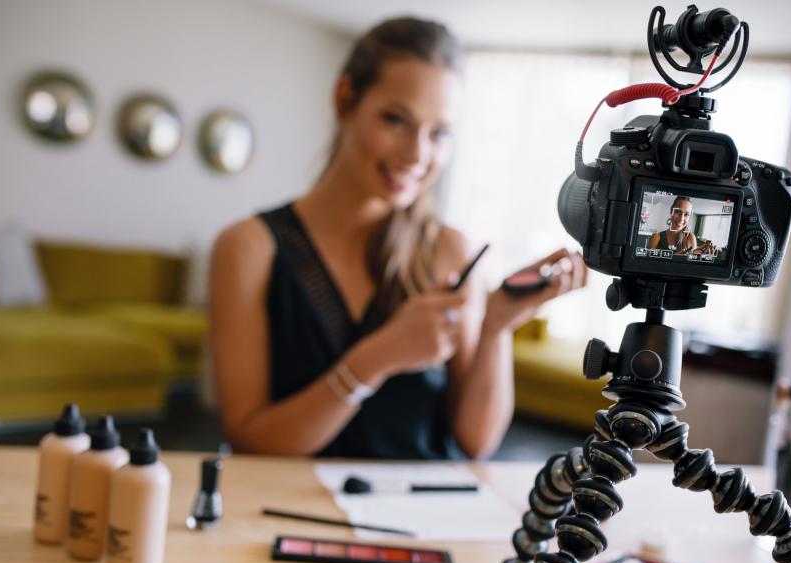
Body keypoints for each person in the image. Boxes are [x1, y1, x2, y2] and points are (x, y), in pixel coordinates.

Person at [209, 17, 586, 460]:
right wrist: (377, 358)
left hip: (420, 520)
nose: (417, 155)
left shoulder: (450, 251)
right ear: (344, 98)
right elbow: (250, 442)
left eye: (439, 133)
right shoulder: (249, 248)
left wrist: (495, 327)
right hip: (287, 515)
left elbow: (476, 441)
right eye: (396, 120)